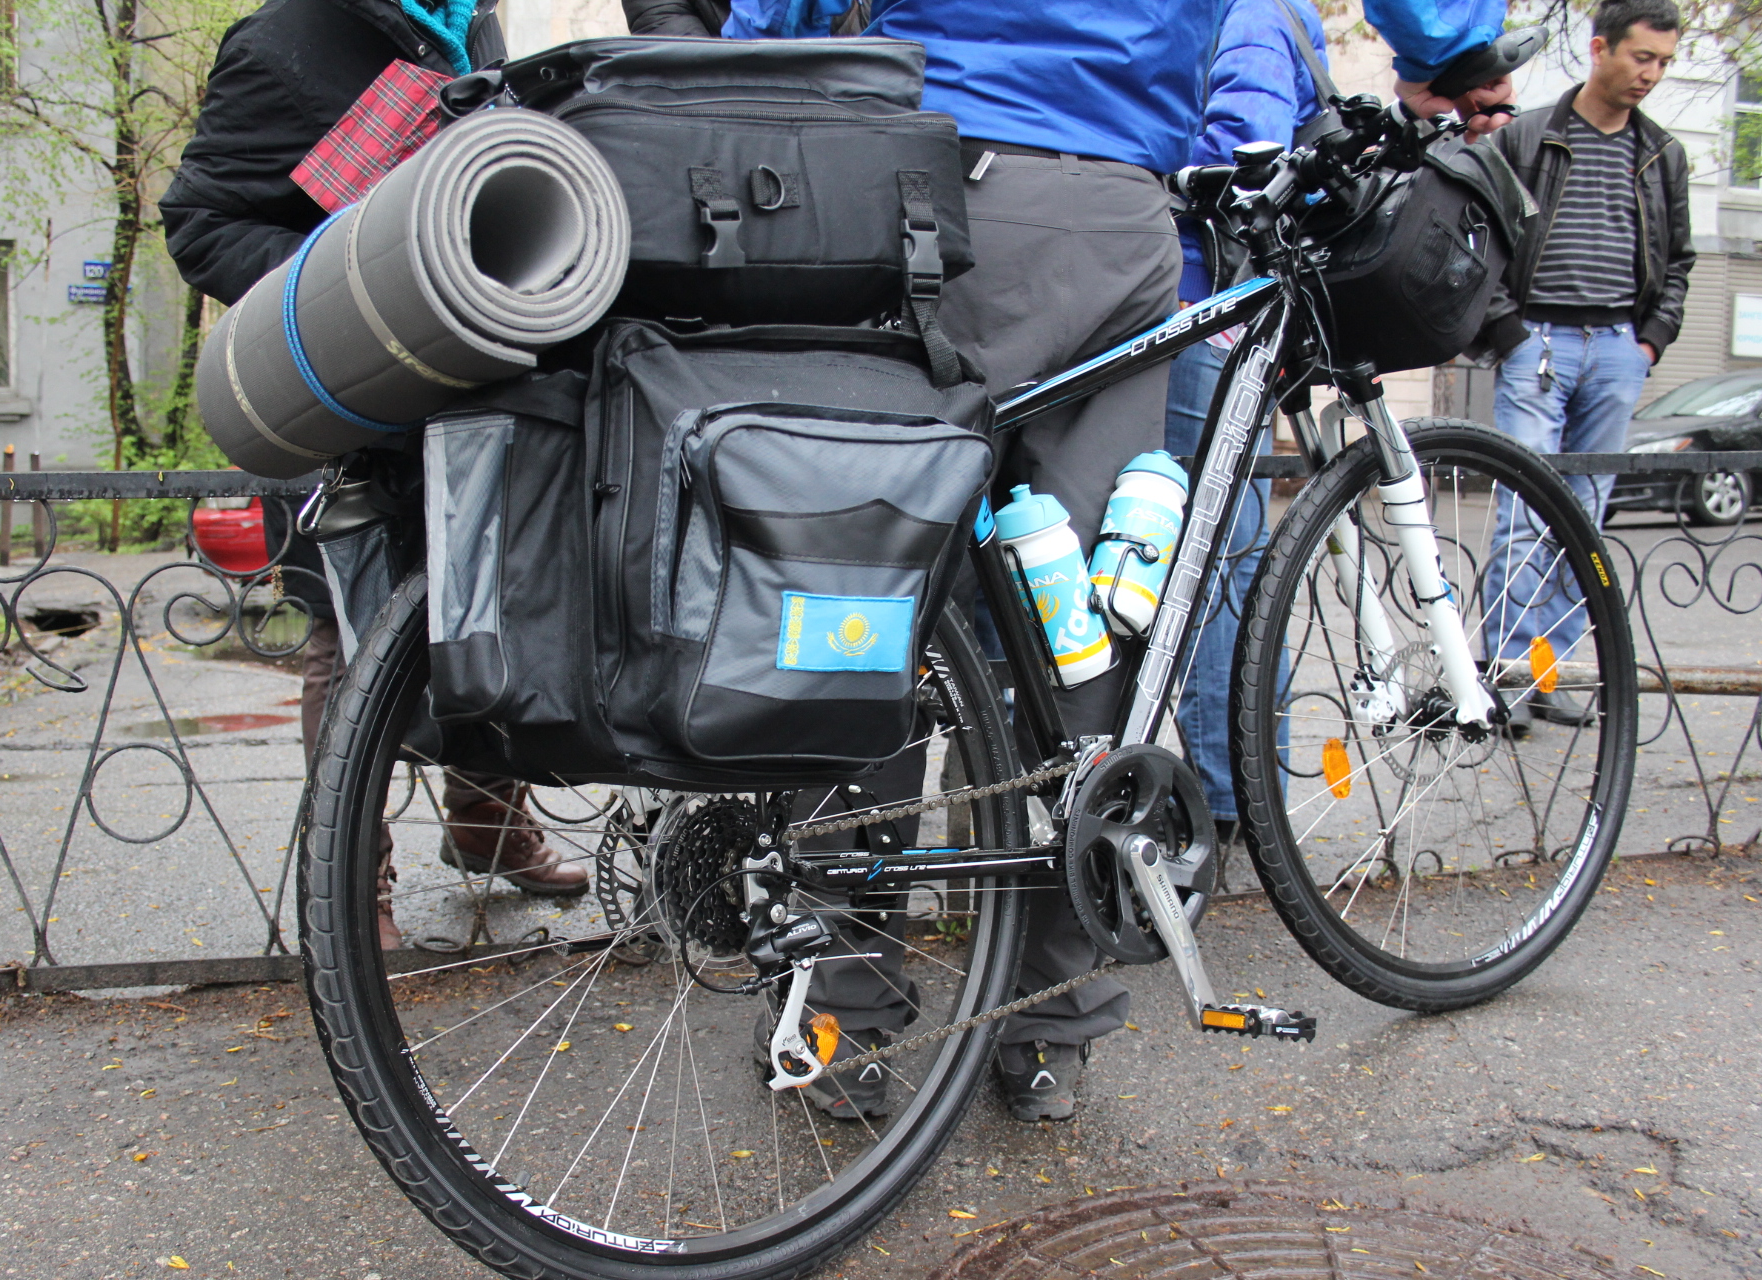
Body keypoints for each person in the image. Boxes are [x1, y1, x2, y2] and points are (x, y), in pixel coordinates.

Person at [687, 0, 1522, 1122]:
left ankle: (837, 1010)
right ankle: (1050, 1022)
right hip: (1120, 211)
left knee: (878, 596)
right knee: (1081, 623)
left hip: (931, 189)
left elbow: (768, 20)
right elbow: (1434, 23)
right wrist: (1454, 56)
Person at [165, 0, 589, 951]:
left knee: (488, 607)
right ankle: (353, 883)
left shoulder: (469, 28)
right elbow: (200, 222)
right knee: (345, 640)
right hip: (344, 393)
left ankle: (488, 828)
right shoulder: (288, 37)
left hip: (470, 387)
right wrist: (362, 281)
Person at [1471, 0, 1691, 737]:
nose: (1651, 74)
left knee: (1584, 521)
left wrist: (1650, 341)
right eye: (1641, 57)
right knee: (1522, 514)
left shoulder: (1662, 153)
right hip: (1537, 343)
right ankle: (1504, 675)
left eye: (1663, 62)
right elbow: (1483, 236)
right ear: (1600, 49)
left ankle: (1548, 673)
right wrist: (1508, 332)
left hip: (1619, 347)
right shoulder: (1527, 137)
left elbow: (1679, 261)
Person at [1167, 0, 1329, 861]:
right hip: (1216, 304)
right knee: (1226, 555)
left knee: (1215, 556)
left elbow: (1238, 154)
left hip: (1202, 301)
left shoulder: (1252, 15)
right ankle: (1235, 797)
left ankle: (1229, 799)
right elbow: (1251, 156)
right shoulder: (1267, 14)